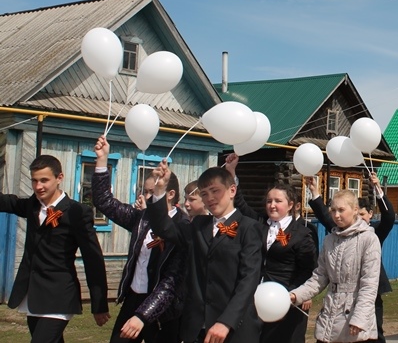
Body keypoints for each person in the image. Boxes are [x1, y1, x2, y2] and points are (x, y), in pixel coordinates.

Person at [146, 161, 263, 343]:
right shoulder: (198, 225)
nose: (210, 198)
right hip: (197, 329)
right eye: (204, 194)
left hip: (235, 329)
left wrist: (226, 322)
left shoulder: (250, 228)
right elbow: (164, 228)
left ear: (232, 191)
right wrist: (159, 190)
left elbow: (248, 281)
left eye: (215, 191)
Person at [0, 154, 110, 343]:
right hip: (34, 293)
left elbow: (93, 259)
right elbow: (6, 201)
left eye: (44, 180)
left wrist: (99, 304)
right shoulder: (32, 206)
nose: (38, 186)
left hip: (59, 294)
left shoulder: (77, 212)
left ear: (59, 178)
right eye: (34, 181)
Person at [92, 136, 187, 343]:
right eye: (144, 191)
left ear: (169, 194)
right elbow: (104, 202)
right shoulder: (141, 218)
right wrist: (101, 160)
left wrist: (144, 315)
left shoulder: (183, 227)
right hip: (134, 298)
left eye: (151, 192)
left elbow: (171, 281)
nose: (145, 196)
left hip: (164, 307)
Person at [224, 154, 317, 343]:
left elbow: (308, 269)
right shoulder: (259, 224)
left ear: (291, 205)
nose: (272, 205)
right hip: (256, 300)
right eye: (269, 201)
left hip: (286, 301)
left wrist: (294, 295)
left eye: (278, 201)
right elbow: (240, 204)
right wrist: (231, 172)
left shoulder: (301, 233)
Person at [308, 173, 395, 343]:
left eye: (362, 214)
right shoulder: (338, 233)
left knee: (374, 331)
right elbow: (327, 217)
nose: (359, 218)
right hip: (341, 299)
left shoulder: (374, 233)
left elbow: (389, 217)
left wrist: (378, 189)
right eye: (336, 210)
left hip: (370, 291)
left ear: (369, 214)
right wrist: (315, 193)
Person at [290, 189, 381, 343]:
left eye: (341, 210)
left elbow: (369, 285)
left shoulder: (369, 239)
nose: (336, 215)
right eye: (333, 210)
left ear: (355, 210)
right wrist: (296, 295)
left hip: (355, 320)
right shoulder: (329, 240)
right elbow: (319, 277)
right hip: (330, 314)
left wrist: (359, 318)